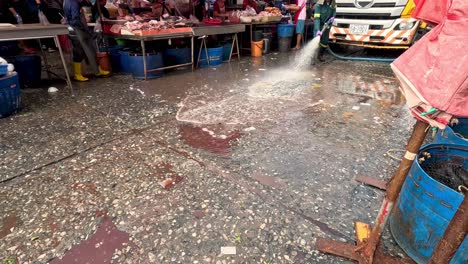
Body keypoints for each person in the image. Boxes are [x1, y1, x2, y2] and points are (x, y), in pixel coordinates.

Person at [64, 0, 109, 81]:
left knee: (88, 48)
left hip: (76, 28)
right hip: (76, 29)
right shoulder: (72, 2)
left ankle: (97, 70)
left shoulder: (71, 2)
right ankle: (77, 74)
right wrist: (84, 28)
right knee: (79, 51)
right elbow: (75, 19)